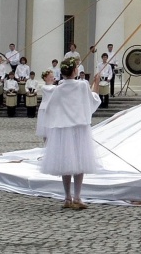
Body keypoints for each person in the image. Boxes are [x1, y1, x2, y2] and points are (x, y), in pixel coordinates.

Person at [40, 56, 101, 209]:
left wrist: (49, 130)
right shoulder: (82, 85)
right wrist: (97, 83)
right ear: (75, 71)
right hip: (79, 127)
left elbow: (50, 109)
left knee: (65, 162)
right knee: (80, 161)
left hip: (63, 129)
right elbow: (92, 101)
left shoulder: (58, 88)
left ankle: (67, 197)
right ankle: (77, 196)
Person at [36, 70, 56, 141]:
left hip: (53, 109)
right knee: (45, 129)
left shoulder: (55, 87)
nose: (52, 78)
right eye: (50, 77)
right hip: (44, 109)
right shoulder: (43, 87)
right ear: (45, 78)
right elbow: (50, 89)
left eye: (53, 77)